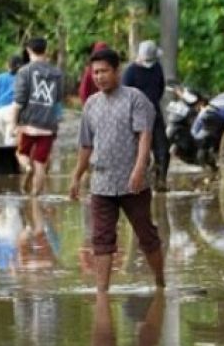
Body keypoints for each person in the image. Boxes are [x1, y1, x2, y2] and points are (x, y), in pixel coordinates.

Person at [69, 48, 166, 293]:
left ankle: (160, 282)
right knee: (101, 239)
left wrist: (139, 168)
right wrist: (76, 176)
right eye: (95, 72)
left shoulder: (135, 99)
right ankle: (102, 292)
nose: (99, 77)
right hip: (101, 182)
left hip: (134, 183)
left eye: (104, 71)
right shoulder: (91, 105)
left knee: (146, 235)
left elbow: (144, 136)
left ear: (117, 71)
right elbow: (86, 145)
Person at [13, 37, 65, 196]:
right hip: (48, 125)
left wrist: (14, 123)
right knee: (41, 163)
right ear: (46, 50)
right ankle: (36, 197)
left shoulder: (24, 71)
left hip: (28, 123)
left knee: (21, 153)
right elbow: (58, 98)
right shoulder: (57, 72)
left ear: (28, 51)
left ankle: (27, 167)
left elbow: (19, 101)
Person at [121, 40, 169, 190]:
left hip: (154, 112)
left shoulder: (157, 68)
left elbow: (161, 87)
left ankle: (161, 180)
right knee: (141, 152)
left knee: (163, 149)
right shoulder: (130, 72)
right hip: (136, 116)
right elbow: (124, 95)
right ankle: (140, 181)